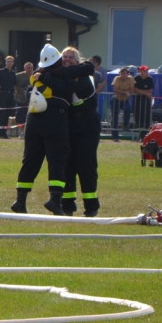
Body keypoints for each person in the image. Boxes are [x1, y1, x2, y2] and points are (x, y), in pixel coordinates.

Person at [10, 44, 80, 215]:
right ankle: (55, 200)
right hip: (54, 119)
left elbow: (29, 93)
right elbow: (70, 87)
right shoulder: (62, 76)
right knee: (57, 159)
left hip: (33, 119)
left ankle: (20, 201)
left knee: (30, 160)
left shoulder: (37, 75)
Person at [58, 46, 101, 217]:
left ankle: (91, 206)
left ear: (78, 60)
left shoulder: (86, 76)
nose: (67, 59)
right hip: (68, 125)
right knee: (67, 165)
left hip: (87, 125)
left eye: (70, 57)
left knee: (86, 165)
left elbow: (74, 89)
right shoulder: (60, 74)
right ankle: (67, 205)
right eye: (64, 57)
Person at [0, 55, 18, 138]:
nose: (9, 63)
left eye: (11, 62)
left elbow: (14, 84)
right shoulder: (1, 71)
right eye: (8, 61)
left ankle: (4, 132)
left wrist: (15, 91)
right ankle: (1, 133)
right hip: (3, 94)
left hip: (10, 95)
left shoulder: (13, 73)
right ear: (5, 63)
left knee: (8, 114)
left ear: (13, 63)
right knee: (3, 114)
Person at [110, 66, 135, 141]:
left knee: (128, 109)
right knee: (115, 117)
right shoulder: (117, 78)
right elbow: (115, 90)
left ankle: (125, 125)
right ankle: (115, 136)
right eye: (121, 73)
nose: (123, 75)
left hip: (125, 100)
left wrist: (126, 92)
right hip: (116, 99)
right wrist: (125, 92)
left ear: (128, 74)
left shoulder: (131, 79)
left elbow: (132, 90)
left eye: (124, 74)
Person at [132, 65, 154, 137]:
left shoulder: (149, 79)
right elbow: (134, 90)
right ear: (140, 71)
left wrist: (140, 91)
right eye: (145, 71)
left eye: (147, 71)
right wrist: (145, 93)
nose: (146, 72)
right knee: (138, 116)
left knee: (146, 116)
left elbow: (150, 91)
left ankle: (145, 134)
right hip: (137, 100)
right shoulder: (136, 78)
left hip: (146, 100)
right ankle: (139, 132)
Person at [14, 61, 34, 135]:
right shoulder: (18, 76)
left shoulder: (35, 76)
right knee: (20, 116)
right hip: (20, 99)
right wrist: (16, 90)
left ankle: (29, 132)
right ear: (24, 68)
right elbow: (14, 84)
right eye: (28, 68)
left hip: (32, 101)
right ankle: (22, 132)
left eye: (31, 68)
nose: (30, 69)